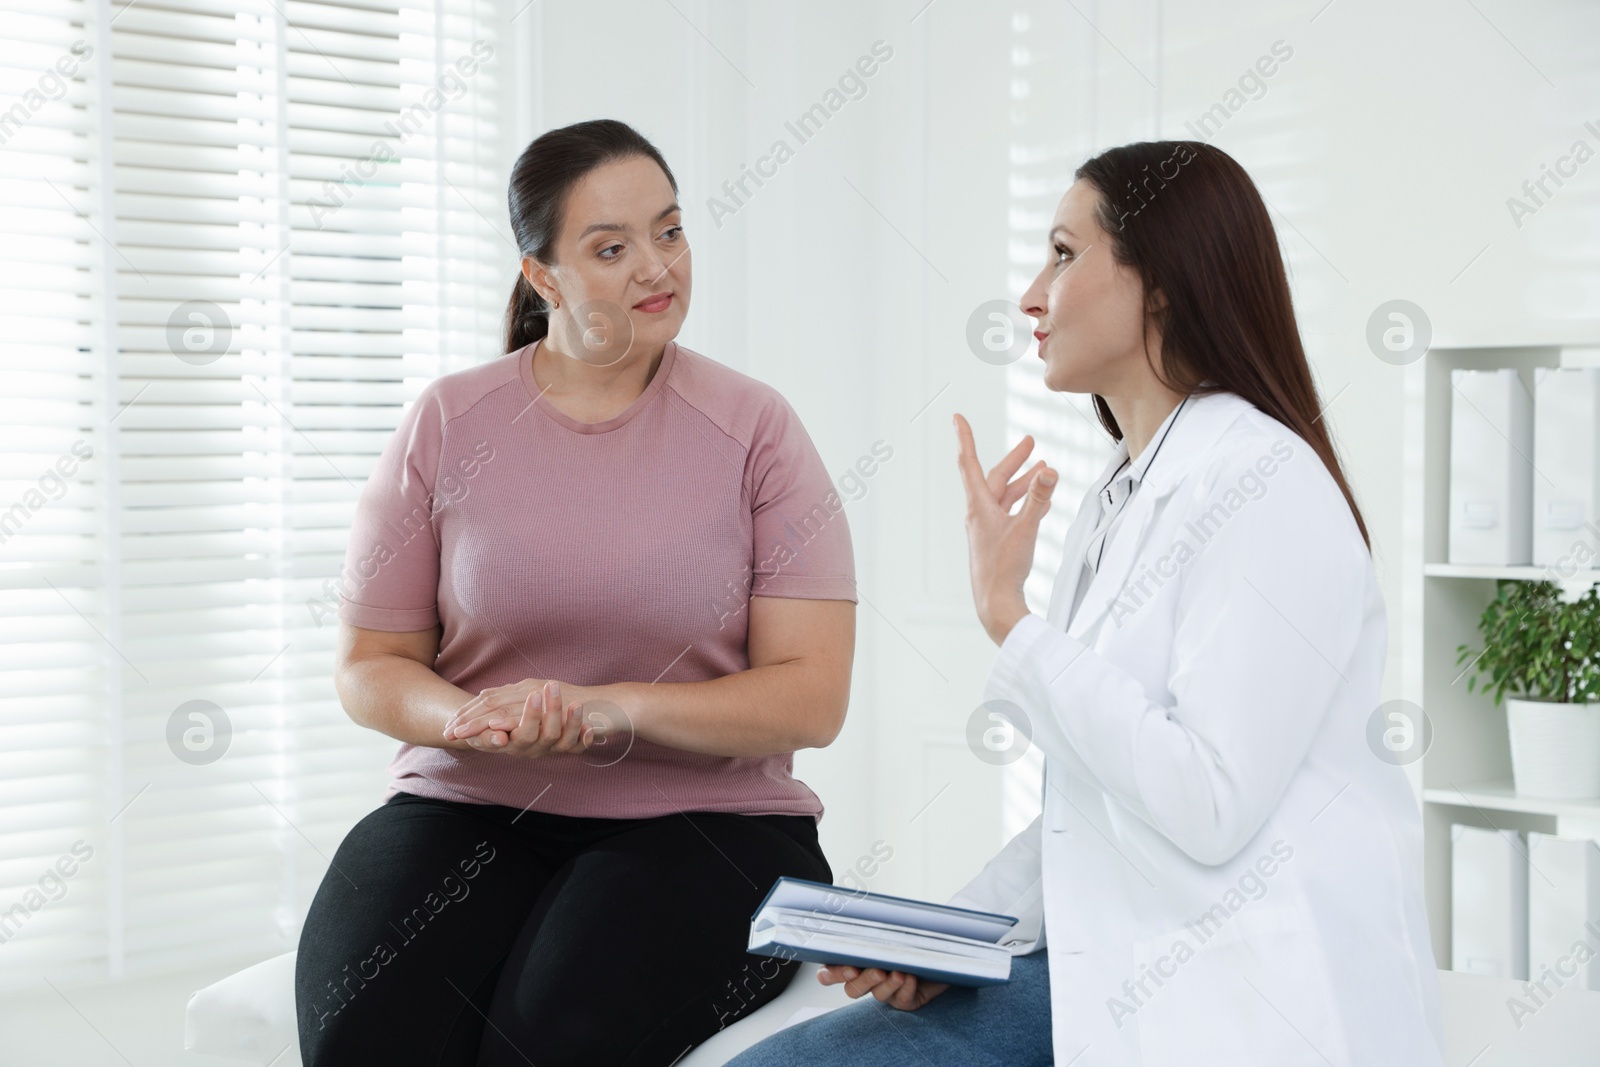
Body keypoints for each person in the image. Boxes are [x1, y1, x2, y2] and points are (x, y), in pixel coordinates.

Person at [727, 140, 1444, 1066]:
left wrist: (1009, 619)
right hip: (1112, 959)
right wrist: (949, 938)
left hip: (1241, 994)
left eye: (1064, 255)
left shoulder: (1263, 484)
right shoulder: (1127, 487)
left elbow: (1209, 801)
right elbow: (1093, 799)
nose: (1030, 294)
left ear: (1164, 283)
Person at [294, 119, 858, 1067]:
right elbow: (367, 666)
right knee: (366, 1034)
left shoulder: (757, 429)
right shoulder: (448, 421)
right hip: (468, 803)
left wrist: (611, 712)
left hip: (711, 826)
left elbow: (813, 696)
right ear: (543, 277)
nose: (656, 266)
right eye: (611, 246)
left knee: (544, 1042)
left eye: (669, 232)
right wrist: (470, 718)